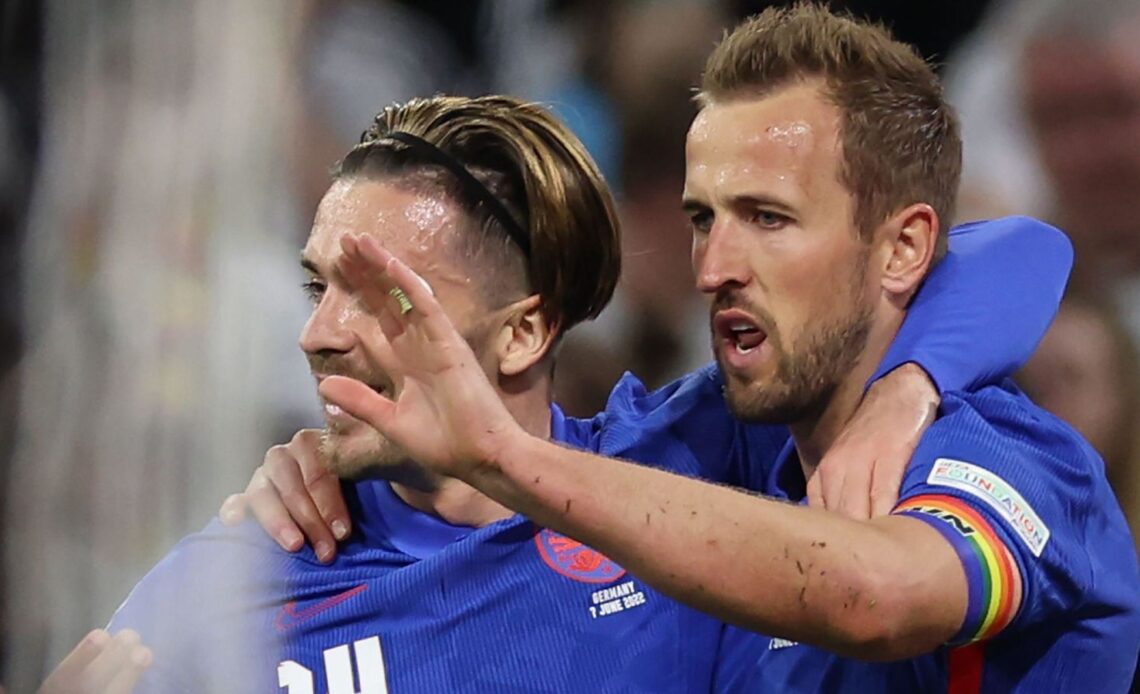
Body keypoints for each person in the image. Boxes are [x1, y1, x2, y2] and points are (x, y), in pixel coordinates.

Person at [104, 97, 1067, 692]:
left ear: (524, 331)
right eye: (321, 289)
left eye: (382, 300)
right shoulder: (239, 579)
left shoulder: (691, 456)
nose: (319, 336)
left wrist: (909, 387)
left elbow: (1018, 252)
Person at [312, 5, 1140, 692]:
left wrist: (498, 453)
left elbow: (873, 597)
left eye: (768, 219)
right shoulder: (710, 439)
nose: (712, 269)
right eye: (704, 218)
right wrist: (333, 470)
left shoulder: (1019, 457)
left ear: (901, 249)